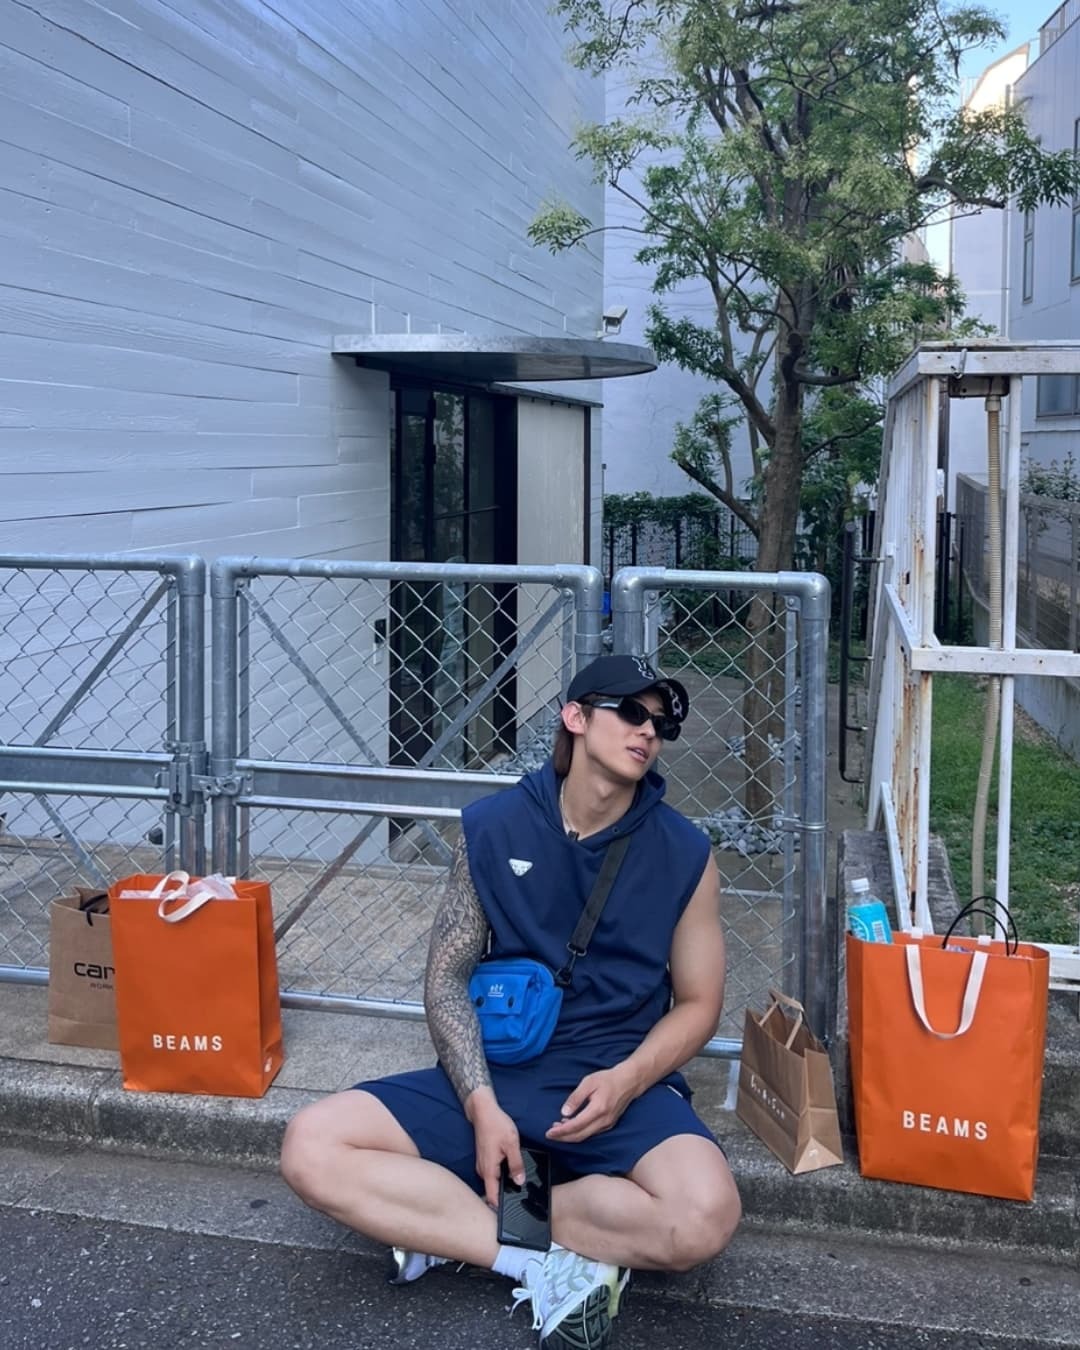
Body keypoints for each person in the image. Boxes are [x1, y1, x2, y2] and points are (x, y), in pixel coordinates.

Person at [281, 654, 741, 1349]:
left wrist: (627, 1081)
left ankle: (439, 1218)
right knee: (311, 1145)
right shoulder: (493, 827)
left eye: (660, 722)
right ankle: (535, 1262)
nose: (649, 731)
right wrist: (480, 1104)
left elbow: (701, 1004)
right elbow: (445, 978)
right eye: (630, 712)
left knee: (704, 1216)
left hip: (615, 1078)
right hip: (503, 1071)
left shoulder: (686, 853)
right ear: (575, 717)